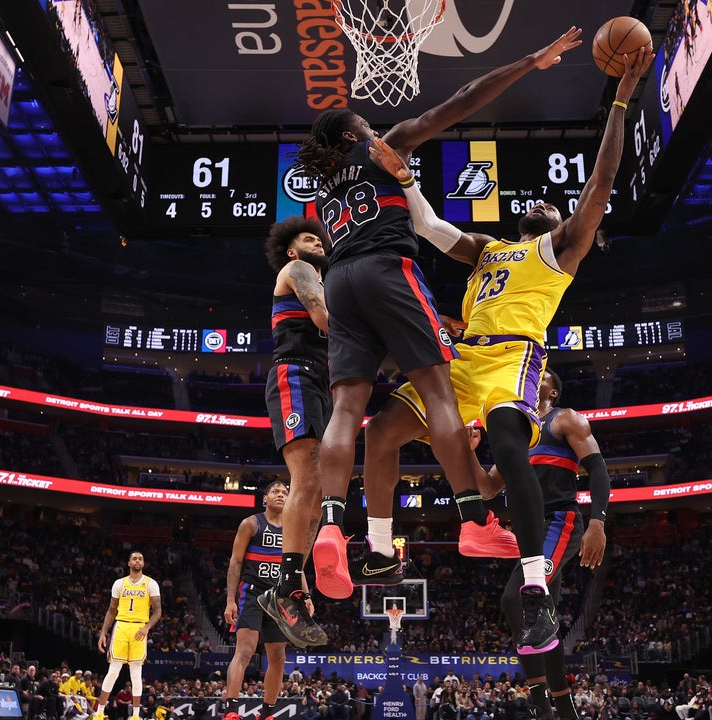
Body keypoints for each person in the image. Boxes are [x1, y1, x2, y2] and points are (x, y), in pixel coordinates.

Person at [361, 44, 650, 652]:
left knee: (511, 450)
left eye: (550, 203)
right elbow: (432, 230)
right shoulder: (490, 247)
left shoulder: (562, 247)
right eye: (538, 201)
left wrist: (620, 101)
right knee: (381, 430)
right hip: (464, 359)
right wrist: (405, 177)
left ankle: (536, 584)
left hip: (514, 359)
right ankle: (381, 548)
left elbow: (600, 180)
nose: (540, 201)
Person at [294, 25, 588, 604]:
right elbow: (461, 101)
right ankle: (474, 517)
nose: (375, 130)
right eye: (366, 126)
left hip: (341, 282)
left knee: (349, 408)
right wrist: (530, 60)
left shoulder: (322, 187)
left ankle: (333, 525)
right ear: (356, 134)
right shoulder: (384, 147)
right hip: (385, 271)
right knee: (439, 393)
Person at [488, 372, 607, 720]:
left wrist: (598, 521)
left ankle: (539, 699)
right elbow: (486, 487)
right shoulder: (517, 433)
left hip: (559, 521)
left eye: (542, 374)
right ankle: (564, 706)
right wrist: (464, 453)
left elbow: (598, 469)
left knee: (517, 597)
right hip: (530, 530)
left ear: (552, 390)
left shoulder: (565, 418)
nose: (532, 373)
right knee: (544, 614)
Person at [253, 218, 330, 648]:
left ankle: (291, 587)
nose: (316, 242)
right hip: (295, 374)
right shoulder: (299, 271)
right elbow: (323, 318)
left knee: (318, 489)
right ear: (291, 250)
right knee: (307, 479)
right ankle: (286, 587)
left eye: (320, 238)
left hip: (322, 382)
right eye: (307, 238)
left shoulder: (326, 281)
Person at [223, 481, 297, 713]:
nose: (281, 495)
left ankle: (267, 713)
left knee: (278, 657)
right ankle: (232, 711)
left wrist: (305, 597)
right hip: (252, 593)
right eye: (275, 491)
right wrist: (230, 600)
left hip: (279, 598)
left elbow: (297, 567)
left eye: (285, 493)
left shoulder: (294, 529)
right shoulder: (251, 524)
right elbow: (235, 562)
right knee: (244, 651)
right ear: (265, 498)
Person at [92, 552, 162, 720]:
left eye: (140, 559)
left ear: (143, 563)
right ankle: (99, 712)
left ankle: (136, 716)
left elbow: (158, 611)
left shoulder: (150, 583)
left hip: (139, 628)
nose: (137, 561)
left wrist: (147, 628)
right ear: (129, 562)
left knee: (136, 672)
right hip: (121, 626)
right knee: (113, 670)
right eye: (134, 558)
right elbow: (111, 610)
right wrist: (103, 632)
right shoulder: (119, 583)